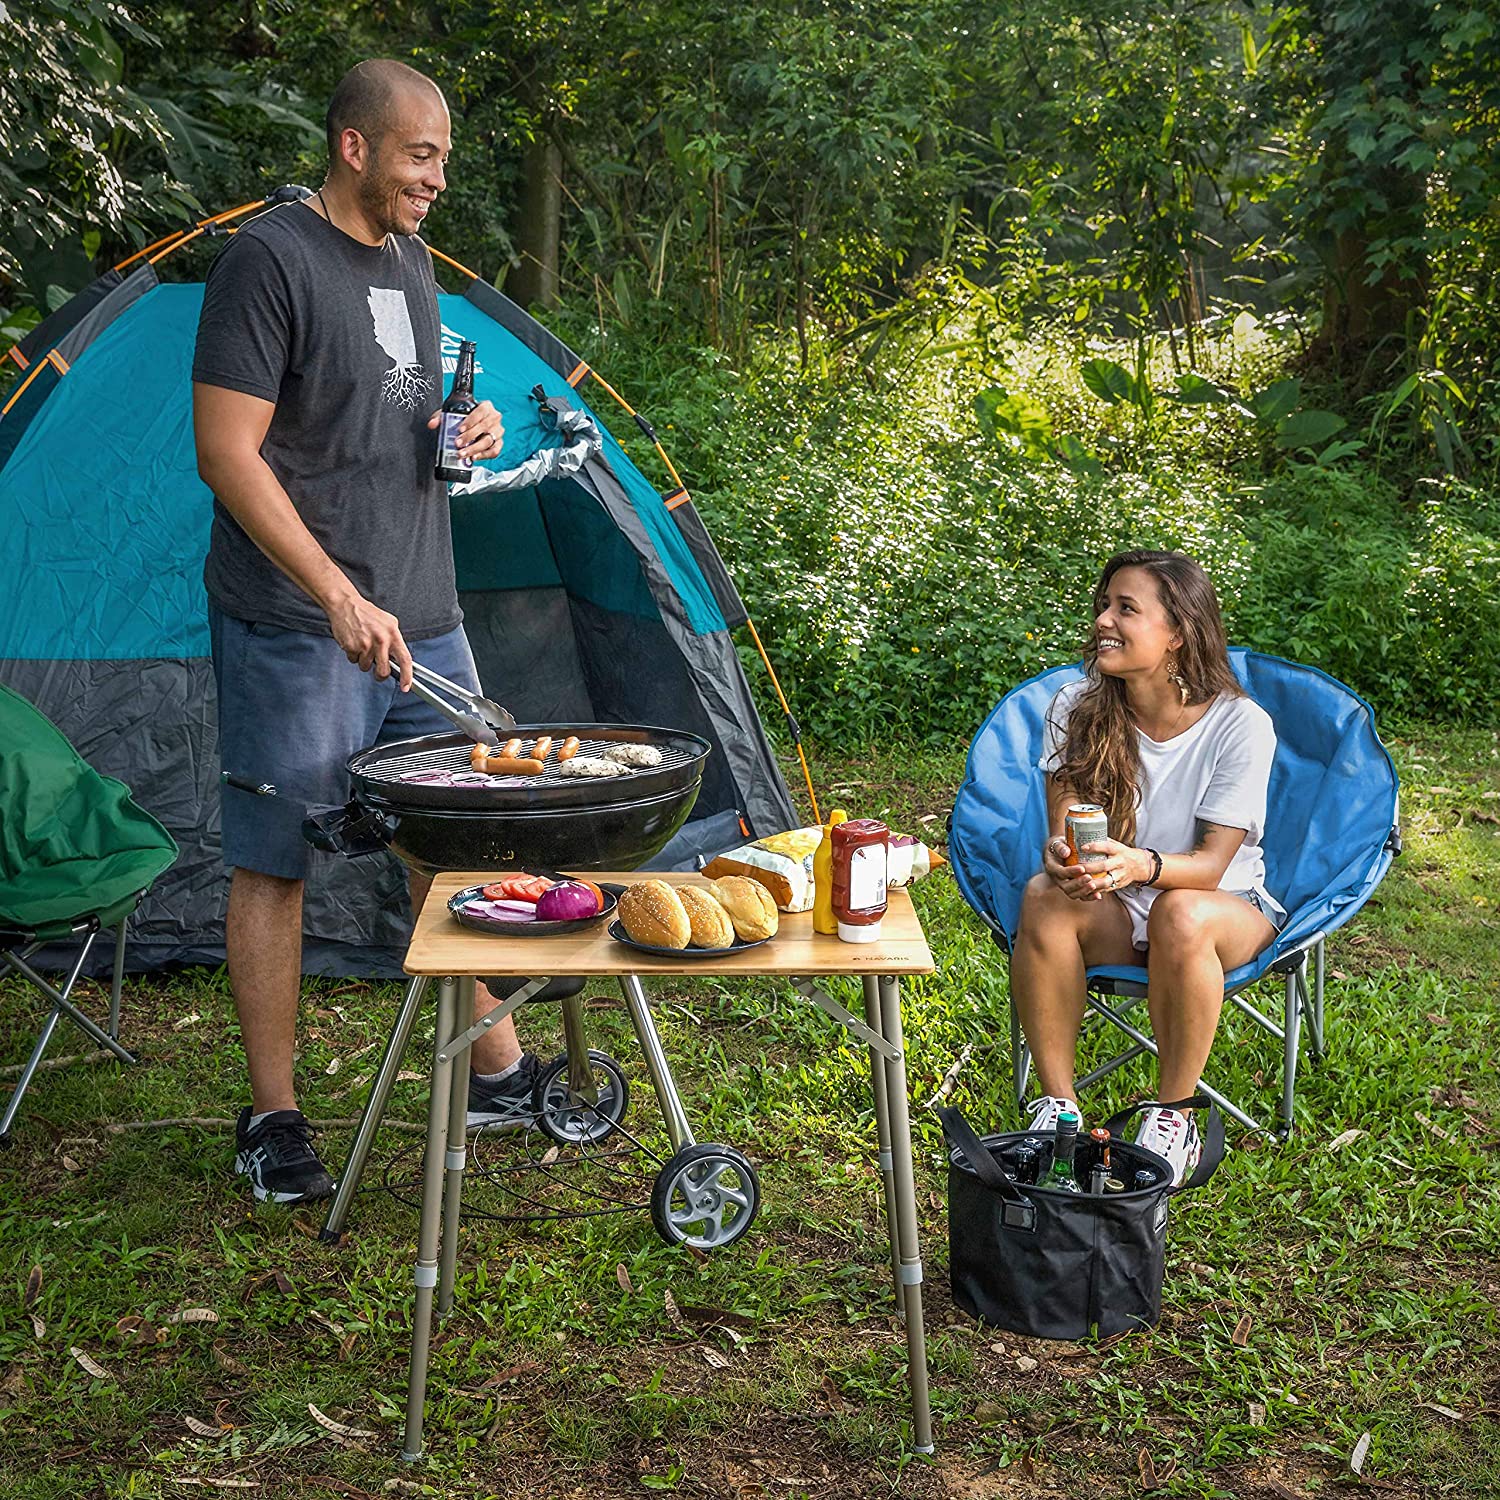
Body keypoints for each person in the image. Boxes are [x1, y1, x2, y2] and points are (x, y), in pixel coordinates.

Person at [193, 59, 540, 1204]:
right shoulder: (269, 261)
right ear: (354, 146)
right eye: (420, 156)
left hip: (422, 610)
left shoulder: (412, 259)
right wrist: (337, 593)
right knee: (277, 858)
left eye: (443, 157)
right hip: (301, 617)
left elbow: (398, 406)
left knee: (459, 833)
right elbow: (228, 453)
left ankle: (495, 1067)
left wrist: (469, 423)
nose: (437, 178)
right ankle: (274, 1114)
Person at [1011, 549, 1284, 1184]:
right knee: (1043, 895)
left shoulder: (1240, 725)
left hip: (1220, 910)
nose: (1104, 619)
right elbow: (1066, 827)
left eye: (1125, 608)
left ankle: (1174, 1114)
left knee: (1180, 911)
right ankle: (1057, 1110)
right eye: (1104, 603)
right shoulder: (1076, 705)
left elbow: (1213, 866)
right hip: (1117, 905)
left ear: (1178, 632)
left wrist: (1137, 865)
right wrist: (1064, 861)